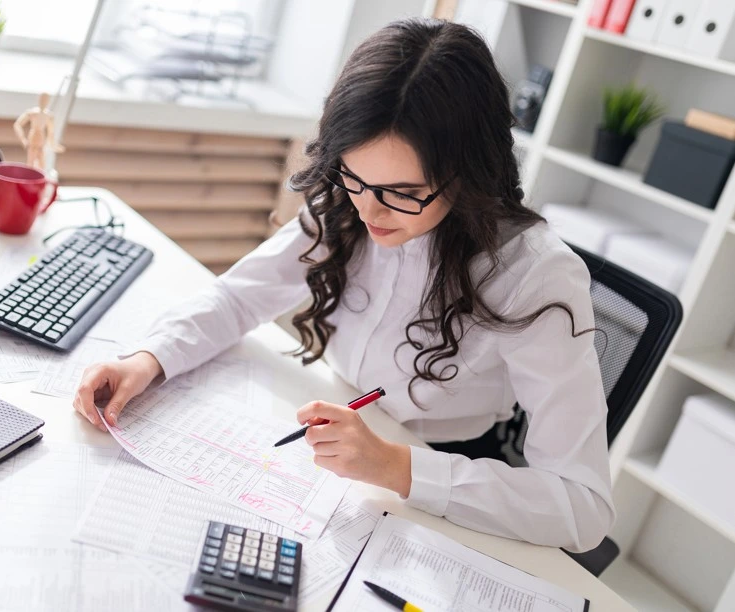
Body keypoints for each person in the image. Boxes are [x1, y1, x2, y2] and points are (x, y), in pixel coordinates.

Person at [73, 18, 615, 553]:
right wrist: (146, 360)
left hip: (447, 465)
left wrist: (393, 465)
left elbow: (583, 505)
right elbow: (241, 296)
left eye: (403, 192)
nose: (369, 209)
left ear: (469, 172)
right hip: (341, 422)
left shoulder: (536, 275)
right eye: (354, 177)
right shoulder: (346, 201)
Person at [13, 92, 65, 170]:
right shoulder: (32, 113)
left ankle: (40, 179)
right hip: (33, 137)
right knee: (31, 161)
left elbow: (51, 132)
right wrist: (23, 139)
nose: (43, 101)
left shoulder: (49, 115)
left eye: (45, 99)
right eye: (42, 99)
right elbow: (17, 124)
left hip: (41, 139)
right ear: (38, 99)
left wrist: (53, 145)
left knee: (41, 162)